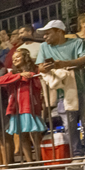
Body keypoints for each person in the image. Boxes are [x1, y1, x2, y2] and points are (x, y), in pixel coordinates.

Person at [36, 19, 85, 158]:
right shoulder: (44, 47)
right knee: (69, 126)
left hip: (82, 88)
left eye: (47, 33)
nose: (44, 37)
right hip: (61, 93)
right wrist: (44, 68)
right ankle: (77, 155)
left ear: (59, 31)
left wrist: (64, 64)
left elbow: (83, 59)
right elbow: (39, 66)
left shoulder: (77, 43)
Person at [0, 49, 45, 162]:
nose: (15, 60)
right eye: (14, 58)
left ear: (25, 57)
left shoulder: (34, 70)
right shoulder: (13, 73)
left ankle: (40, 160)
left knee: (35, 135)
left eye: (18, 57)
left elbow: (33, 77)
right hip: (17, 107)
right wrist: (19, 76)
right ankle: (30, 163)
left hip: (30, 105)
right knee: (23, 136)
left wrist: (23, 75)